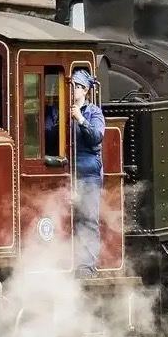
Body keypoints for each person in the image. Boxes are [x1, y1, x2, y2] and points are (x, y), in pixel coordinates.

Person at [69, 67, 106, 276]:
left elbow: (96, 137)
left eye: (77, 86)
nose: (73, 90)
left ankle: (86, 267)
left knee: (88, 220)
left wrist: (80, 120)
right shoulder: (59, 110)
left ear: (85, 90)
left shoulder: (94, 113)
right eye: (71, 86)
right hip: (66, 171)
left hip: (88, 173)